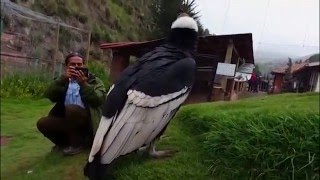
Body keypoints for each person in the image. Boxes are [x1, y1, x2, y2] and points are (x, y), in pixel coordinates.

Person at [37, 52, 106, 155]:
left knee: (71, 109)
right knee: (42, 123)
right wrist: (62, 79)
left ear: (84, 65)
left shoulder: (94, 81)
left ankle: (77, 145)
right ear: (67, 66)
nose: (77, 67)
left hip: (88, 121)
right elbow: (49, 95)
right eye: (73, 64)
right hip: (68, 119)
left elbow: (98, 100)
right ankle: (64, 144)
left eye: (79, 64)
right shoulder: (63, 81)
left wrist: (83, 84)